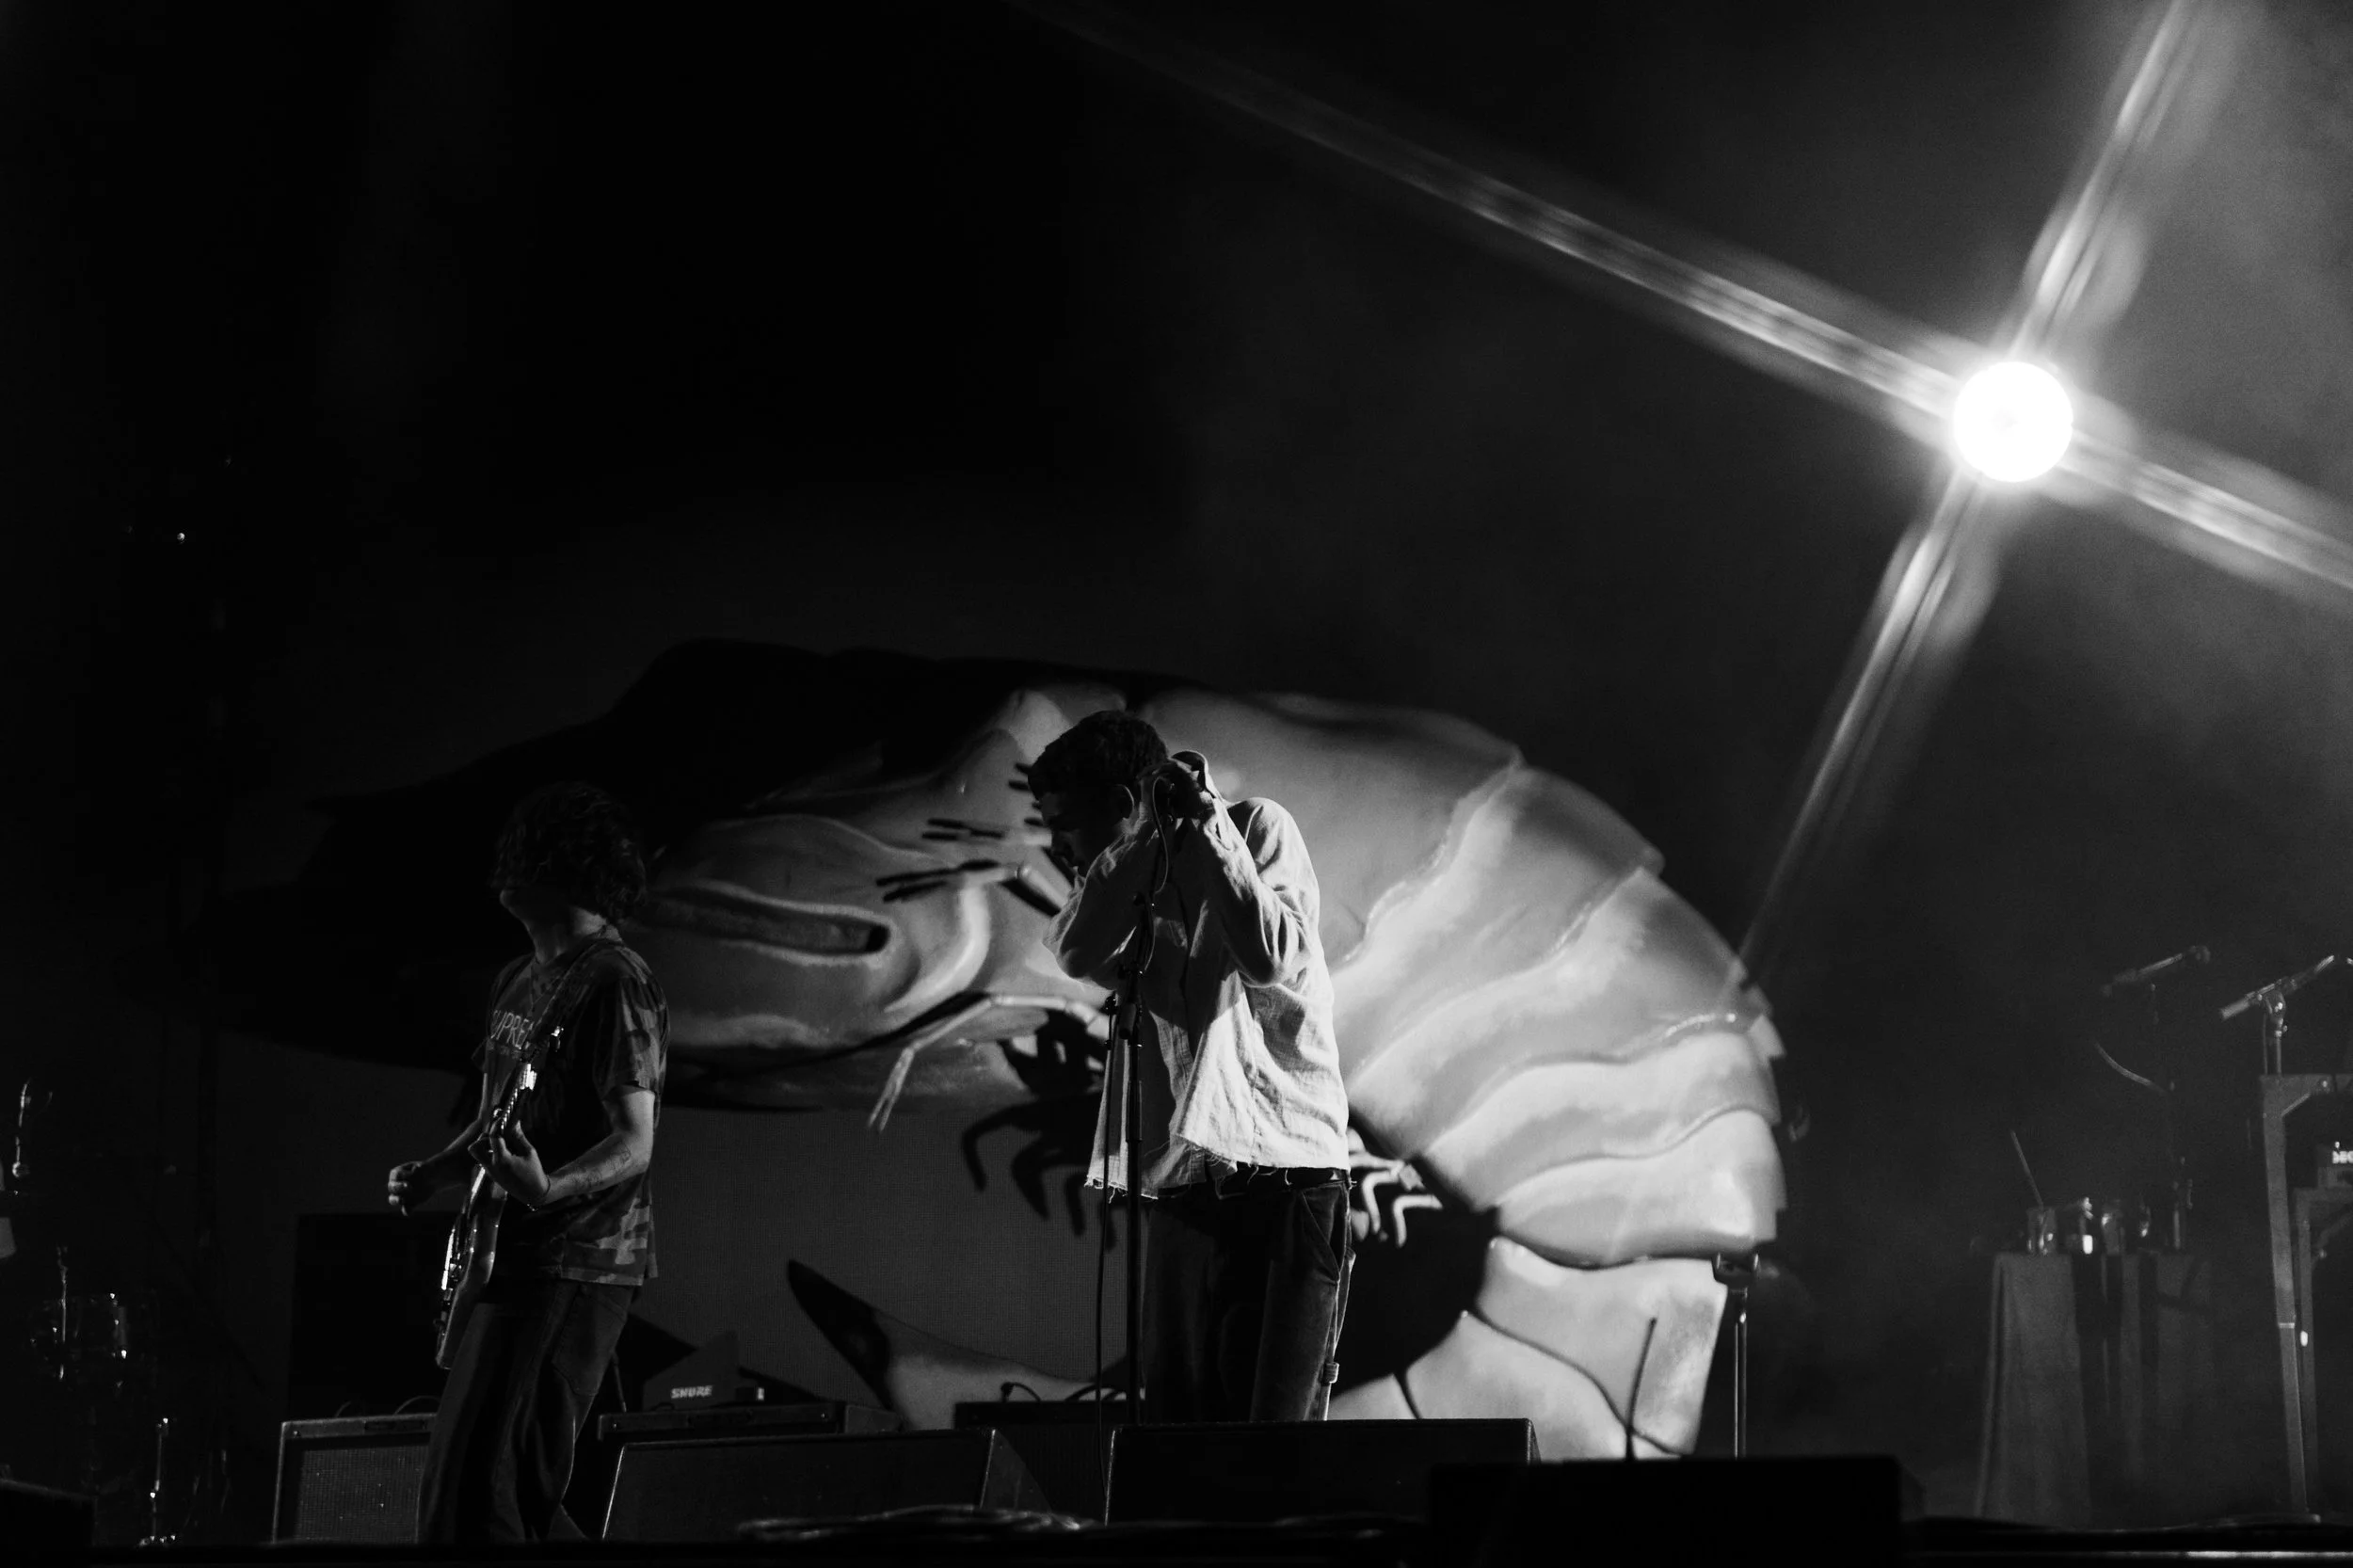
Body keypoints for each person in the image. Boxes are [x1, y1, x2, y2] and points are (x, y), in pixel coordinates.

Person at [1029, 710, 1352, 1423]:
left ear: (1121, 803)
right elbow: (1076, 951)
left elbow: (1271, 954)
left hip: (1285, 1183)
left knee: (1276, 1442)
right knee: (1177, 1440)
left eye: (1067, 824)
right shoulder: (1125, 889)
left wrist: (1200, 821)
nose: (1057, 846)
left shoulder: (1254, 827)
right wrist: (1148, 841)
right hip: (1185, 1189)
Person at [387, 781, 667, 1544]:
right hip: (509, 1256)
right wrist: (439, 1171)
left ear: (572, 866)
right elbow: (495, 1121)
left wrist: (550, 1189)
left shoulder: (615, 980)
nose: (507, 868)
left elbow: (635, 1140)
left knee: (484, 1492)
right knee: (480, 1494)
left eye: (530, 852)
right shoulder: (517, 979)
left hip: (576, 1261)